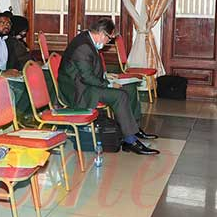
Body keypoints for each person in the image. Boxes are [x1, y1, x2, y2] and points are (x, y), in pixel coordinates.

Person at [58, 18, 158, 155]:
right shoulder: (83, 46)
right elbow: (86, 77)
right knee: (120, 95)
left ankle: (133, 129)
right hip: (79, 90)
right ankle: (130, 140)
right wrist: (109, 84)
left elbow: (89, 69)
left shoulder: (89, 41)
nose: (108, 42)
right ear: (102, 34)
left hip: (86, 84)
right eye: (109, 39)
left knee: (130, 88)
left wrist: (106, 75)